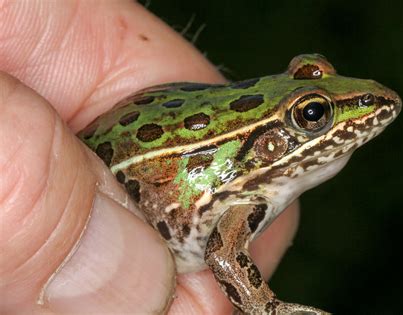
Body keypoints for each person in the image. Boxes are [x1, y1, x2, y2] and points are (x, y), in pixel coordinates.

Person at [0, 2, 302, 314]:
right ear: (270, 143)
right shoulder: (247, 198)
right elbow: (224, 255)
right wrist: (268, 307)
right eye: (311, 114)